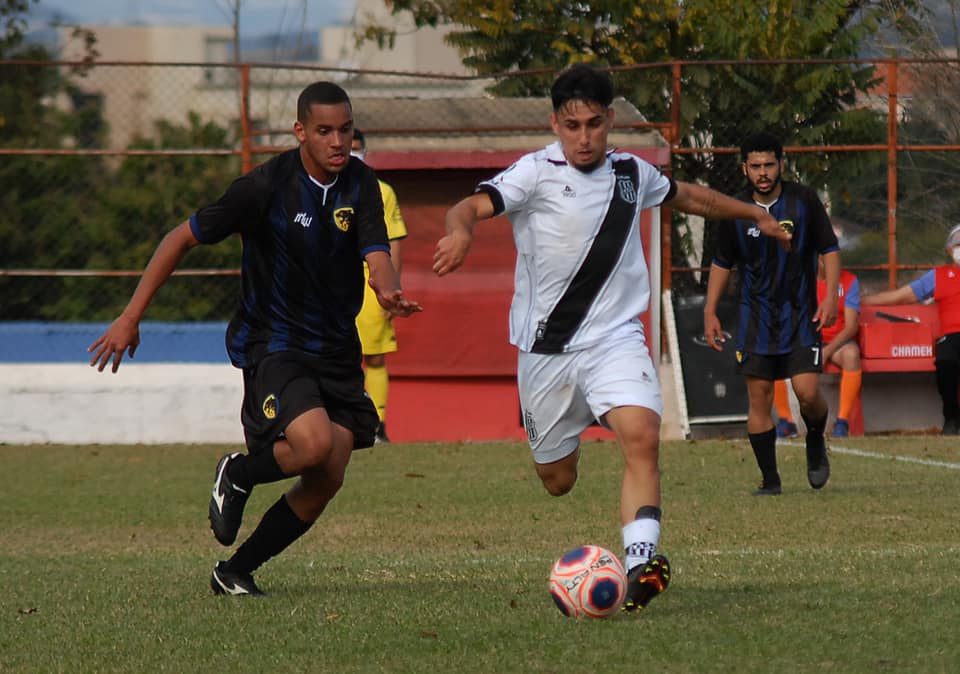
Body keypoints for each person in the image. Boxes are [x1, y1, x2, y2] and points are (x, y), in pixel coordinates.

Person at [432, 64, 788, 612]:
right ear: (554, 124)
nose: (583, 137)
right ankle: (585, 412)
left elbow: (693, 198)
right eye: (571, 125)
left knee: (643, 433)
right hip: (545, 353)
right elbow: (470, 206)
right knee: (557, 481)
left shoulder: (632, 174)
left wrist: (755, 215)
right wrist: (460, 231)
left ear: (610, 121)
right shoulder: (534, 173)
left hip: (614, 339)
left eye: (594, 124)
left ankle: (641, 566)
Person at [88, 81, 422, 596]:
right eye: (324, 131)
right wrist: (131, 316)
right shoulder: (265, 187)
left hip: (336, 348)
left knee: (327, 476)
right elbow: (179, 238)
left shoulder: (362, 184)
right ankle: (239, 473)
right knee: (311, 445)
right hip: (275, 343)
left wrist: (389, 289)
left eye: (346, 130)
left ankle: (235, 572)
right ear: (300, 132)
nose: (338, 141)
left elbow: (376, 253)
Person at [704, 131, 840, 496]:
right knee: (759, 397)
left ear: (781, 163)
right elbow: (722, 262)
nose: (763, 172)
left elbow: (829, 248)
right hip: (755, 319)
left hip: (800, 315)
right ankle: (771, 480)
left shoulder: (804, 201)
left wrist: (830, 299)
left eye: (769, 164)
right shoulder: (734, 210)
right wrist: (710, 310)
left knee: (807, 392)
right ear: (745, 168)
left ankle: (814, 439)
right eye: (755, 166)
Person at [861, 223, 960, 435]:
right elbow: (901, 296)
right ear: (950, 251)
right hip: (952, 336)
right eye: (958, 244)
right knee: (947, 360)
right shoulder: (939, 276)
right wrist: (859, 302)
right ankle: (951, 417)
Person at [350, 129, 408, 443]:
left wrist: (392, 287)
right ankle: (347, 421)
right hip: (333, 280)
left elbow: (395, 240)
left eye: (358, 148)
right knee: (340, 355)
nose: (352, 152)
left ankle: (378, 424)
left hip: (371, 279)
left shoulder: (382, 191)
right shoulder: (324, 188)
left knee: (374, 356)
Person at [775, 261, 862, 438]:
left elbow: (851, 326)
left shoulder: (850, 281)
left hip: (836, 344)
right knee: (777, 355)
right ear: (818, 260)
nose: (833, 264)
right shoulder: (804, 280)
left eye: (836, 258)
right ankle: (787, 422)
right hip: (808, 340)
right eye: (827, 259)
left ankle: (842, 423)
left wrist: (828, 350)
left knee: (852, 355)